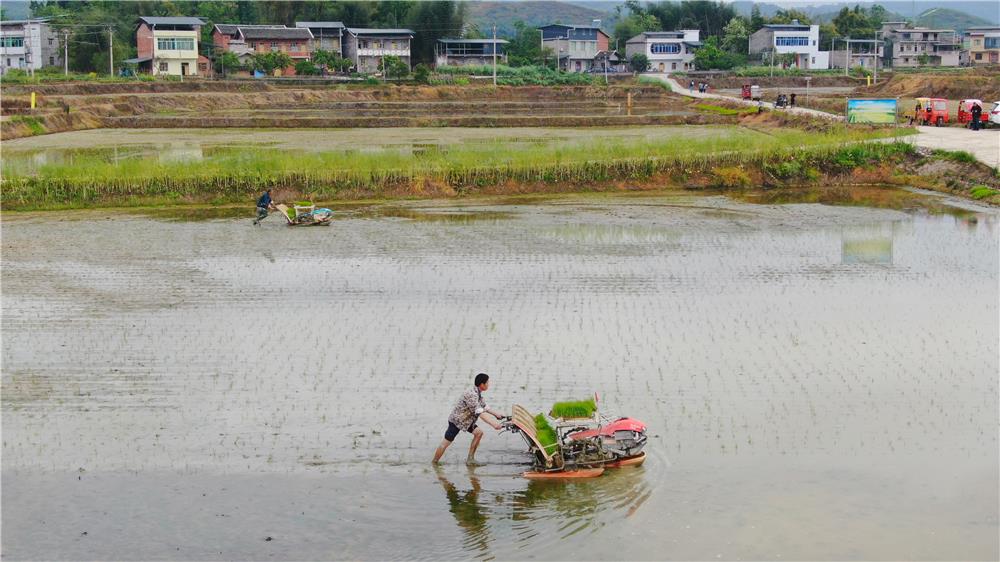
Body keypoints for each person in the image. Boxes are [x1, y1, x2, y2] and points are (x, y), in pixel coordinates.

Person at [433, 373, 505, 465]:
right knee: (446, 443)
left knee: (479, 433)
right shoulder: (472, 395)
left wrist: (497, 415)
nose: (488, 384)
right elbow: (480, 413)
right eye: (487, 383)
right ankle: (434, 463)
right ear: (482, 384)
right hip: (457, 421)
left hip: (466, 421)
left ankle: (470, 460)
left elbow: (485, 407)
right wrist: (494, 425)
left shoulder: (478, 394)